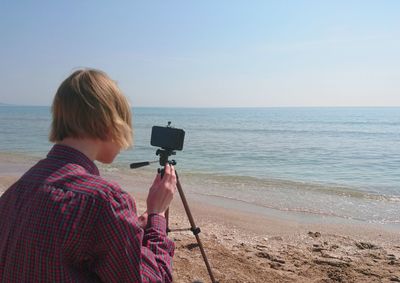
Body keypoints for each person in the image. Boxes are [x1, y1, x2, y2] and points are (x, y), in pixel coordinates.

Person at [0, 69, 177, 282]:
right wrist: (157, 216)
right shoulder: (105, 201)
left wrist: (128, 229)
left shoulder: (17, 190)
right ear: (110, 123)